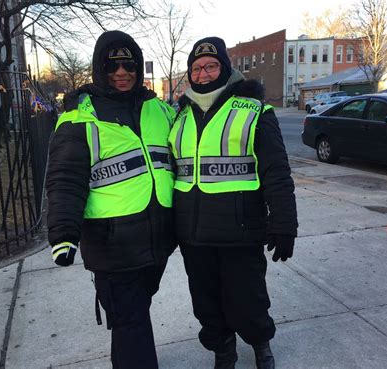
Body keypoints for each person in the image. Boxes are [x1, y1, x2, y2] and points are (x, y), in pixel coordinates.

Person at [46, 30, 176, 369]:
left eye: (128, 64)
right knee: (131, 322)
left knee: (133, 318)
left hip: (157, 243)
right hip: (111, 247)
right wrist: (63, 235)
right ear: (99, 69)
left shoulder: (159, 110)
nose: (122, 72)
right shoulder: (79, 118)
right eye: (112, 65)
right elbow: (65, 180)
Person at [168, 37, 298, 369]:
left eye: (211, 66)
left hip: (240, 231)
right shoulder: (178, 116)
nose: (203, 74)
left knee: (248, 302)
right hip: (193, 236)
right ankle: (223, 350)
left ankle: (260, 345)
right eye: (196, 68)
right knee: (206, 305)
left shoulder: (253, 110)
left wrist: (284, 224)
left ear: (225, 69)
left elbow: (277, 172)